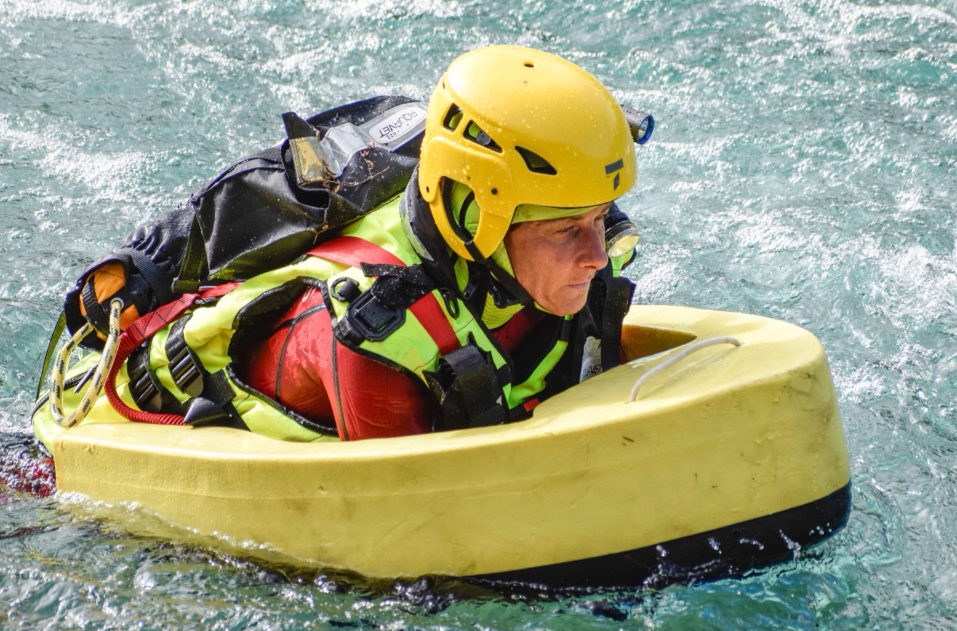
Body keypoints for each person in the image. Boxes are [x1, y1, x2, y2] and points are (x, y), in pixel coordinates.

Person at [65, 45, 645, 441]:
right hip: (115, 440)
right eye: (565, 230)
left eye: (599, 219)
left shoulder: (549, 263)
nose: (597, 254)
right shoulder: (373, 332)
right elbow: (415, 550)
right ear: (479, 218)